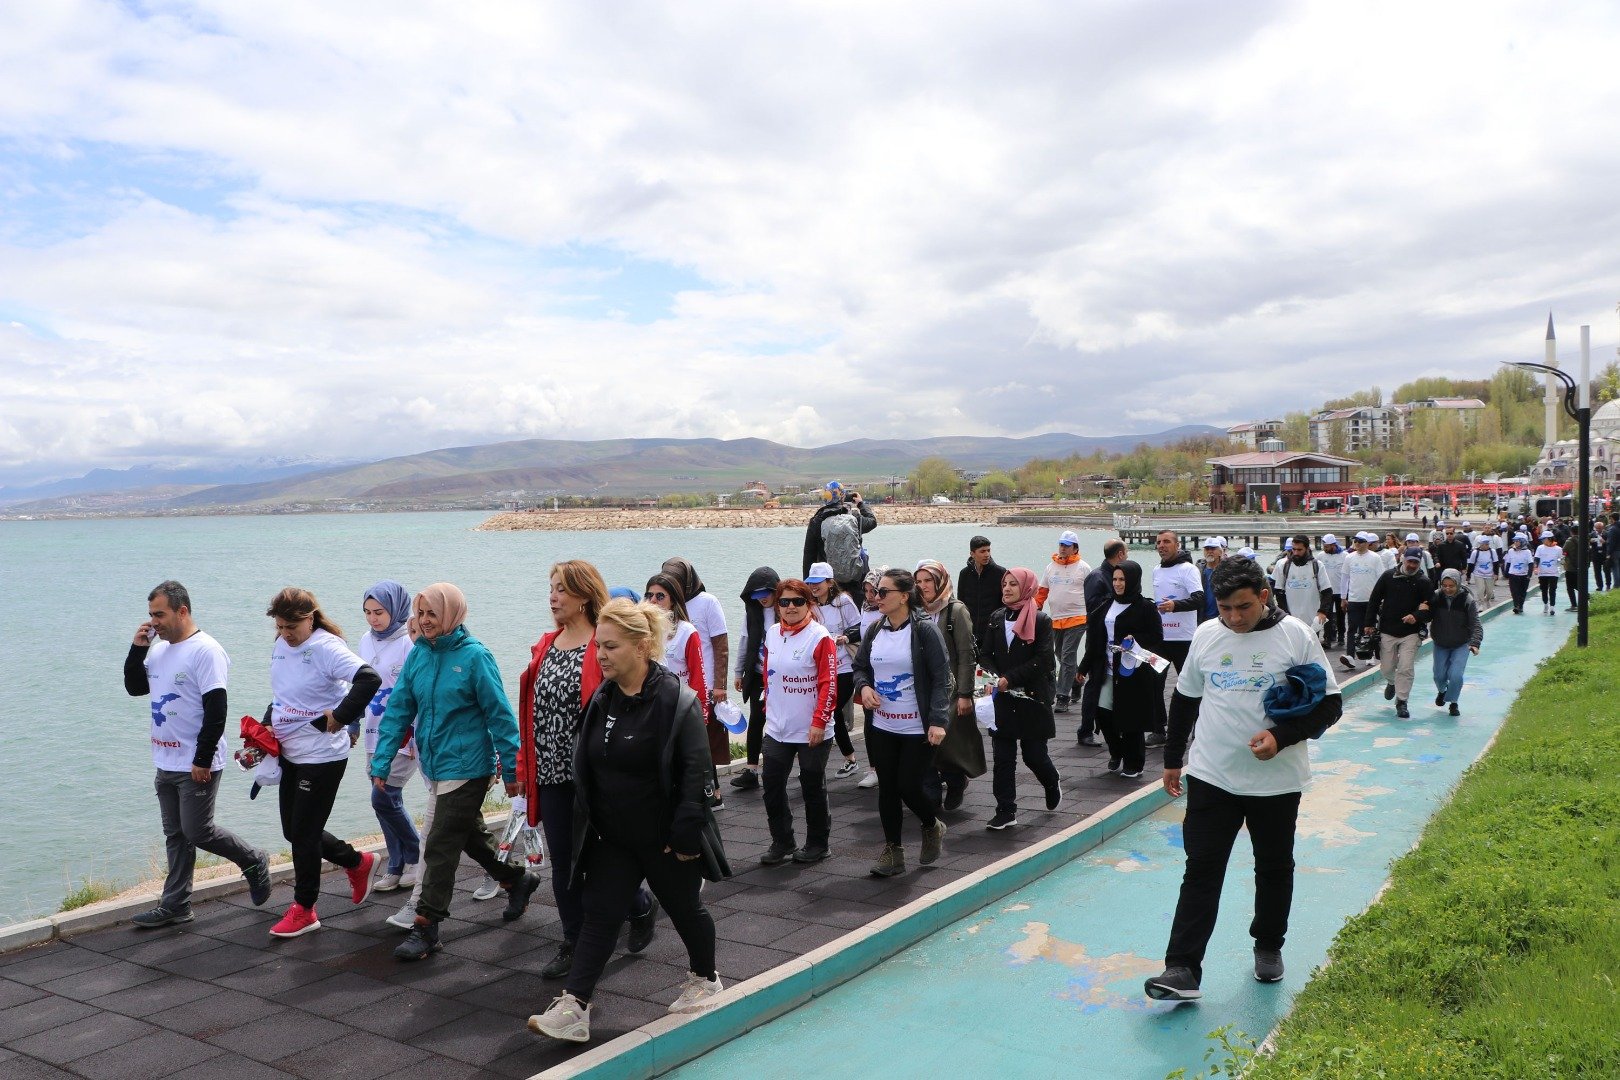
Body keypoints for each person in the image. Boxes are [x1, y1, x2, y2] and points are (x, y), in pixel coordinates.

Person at [1144, 557, 1343, 1001]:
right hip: (1213, 776)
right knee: (1201, 869)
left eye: (1244, 607)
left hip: (1276, 781)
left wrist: (1281, 736)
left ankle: (1269, 944)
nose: (1233, 617)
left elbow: (1330, 705)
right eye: (1225, 607)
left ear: (1264, 597)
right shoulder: (1207, 634)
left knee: (1273, 867)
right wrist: (1173, 758)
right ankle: (1181, 968)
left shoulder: (1295, 635)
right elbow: (1185, 699)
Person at [527, 599, 723, 1044]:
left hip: (664, 836)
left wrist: (686, 834)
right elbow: (590, 764)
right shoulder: (603, 698)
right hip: (613, 835)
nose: (600, 656)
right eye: (598, 647)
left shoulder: (677, 700)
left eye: (611, 647)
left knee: (685, 909)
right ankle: (574, 1006)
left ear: (642, 646)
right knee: (599, 916)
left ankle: (705, 978)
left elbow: (696, 773)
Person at [374, 584, 542, 961]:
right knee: (465, 833)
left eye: (432, 613)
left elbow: (499, 714)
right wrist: (382, 760)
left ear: (452, 614)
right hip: (435, 763)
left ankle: (426, 925)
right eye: (420, 614)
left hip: (468, 766)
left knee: (438, 843)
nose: (425, 621)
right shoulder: (419, 656)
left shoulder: (475, 657)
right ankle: (517, 879)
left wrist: (512, 764)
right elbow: (399, 708)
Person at [518, 560, 654, 981]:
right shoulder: (545, 645)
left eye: (561, 589)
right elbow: (531, 713)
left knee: (602, 858)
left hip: (596, 775)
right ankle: (573, 940)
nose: (553, 597)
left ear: (583, 595)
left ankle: (640, 905)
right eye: (551, 588)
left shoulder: (603, 643)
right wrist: (524, 766)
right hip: (552, 774)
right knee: (564, 863)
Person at [124, 581, 270, 928]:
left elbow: (217, 708)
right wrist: (136, 649)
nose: (153, 622)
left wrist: (202, 759)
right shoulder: (157, 652)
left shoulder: (206, 650)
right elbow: (134, 687)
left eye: (159, 614)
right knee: (176, 835)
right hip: (165, 760)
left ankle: (254, 860)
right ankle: (176, 905)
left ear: (182, 611)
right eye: (150, 615)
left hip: (195, 762)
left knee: (197, 831)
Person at [264, 587, 383, 938]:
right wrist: (266, 725)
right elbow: (282, 697)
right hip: (290, 751)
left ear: (311, 617)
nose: (286, 633)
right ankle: (357, 862)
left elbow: (369, 678)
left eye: (292, 626)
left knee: (303, 833)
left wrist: (342, 716)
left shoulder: (326, 647)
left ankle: (305, 909)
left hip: (322, 755)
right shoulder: (281, 646)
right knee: (294, 830)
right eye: (281, 626)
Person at [853, 568, 950, 877]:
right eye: (876, 592)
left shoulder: (924, 631)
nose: (876, 597)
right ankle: (893, 851)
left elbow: (941, 679)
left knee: (908, 785)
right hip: (882, 725)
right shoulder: (874, 630)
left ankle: (931, 824)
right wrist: (864, 687)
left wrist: (937, 720)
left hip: (916, 727)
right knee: (887, 790)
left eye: (883, 592)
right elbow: (860, 667)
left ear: (904, 597)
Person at [758, 579, 839, 865]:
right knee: (771, 786)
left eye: (797, 601)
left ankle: (818, 843)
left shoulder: (820, 637)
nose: (790, 607)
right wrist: (769, 708)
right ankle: (782, 841)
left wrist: (819, 722)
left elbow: (829, 685)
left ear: (809, 603)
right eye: (784, 601)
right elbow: (768, 675)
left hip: (811, 730)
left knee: (812, 787)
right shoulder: (771, 634)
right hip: (777, 728)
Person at [978, 568, 1062, 827]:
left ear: (1026, 587)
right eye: (1005, 584)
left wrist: (1010, 678)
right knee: (1003, 757)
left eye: (1013, 584)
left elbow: (1044, 660)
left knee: (1033, 755)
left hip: (1033, 698)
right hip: (1003, 698)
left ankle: (1051, 781)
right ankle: (1006, 810)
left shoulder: (1041, 620)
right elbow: (985, 653)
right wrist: (993, 677)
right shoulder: (996, 617)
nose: (1006, 588)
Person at [356, 581, 421, 895]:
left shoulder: (409, 642)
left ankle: (416, 856)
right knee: (382, 803)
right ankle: (396, 864)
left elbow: (415, 693)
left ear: (395, 609)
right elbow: (357, 685)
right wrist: (353, 724)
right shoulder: (365, 641)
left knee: (383, 797)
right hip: (373, 732)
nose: (373, 619)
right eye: (368, 612)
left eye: (379, 612)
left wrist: (411, 739)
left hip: (401, 734)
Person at [1081, 561, 1165, 781]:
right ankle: (1116, 751)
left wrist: (1135, 640)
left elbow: (1156, 636)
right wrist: (1083, 667)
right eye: (1115, 579)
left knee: (1131, 719)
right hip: (1105, 670)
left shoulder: (1145, 607)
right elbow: (1094, 640)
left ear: (1133, 581)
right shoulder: (1105, 605)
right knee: (1101, 712)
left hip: (1132, 672)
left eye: (1122, 580)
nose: (1118, 584)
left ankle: (1134, 762)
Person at [645, 573, 722, 808]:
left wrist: (703, 713)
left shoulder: (687, 631)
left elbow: (698, 675)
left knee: (685, 763)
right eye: (649, 595)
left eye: (660, 596)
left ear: (673, 600)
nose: (654, 600)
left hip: (681, 707)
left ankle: (701, 802)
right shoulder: (642, 631)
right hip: (652, 708)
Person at [913, 559, 982, 812]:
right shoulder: (914, 610)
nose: (923, 586)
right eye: (918, 582)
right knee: (924, 743)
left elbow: (966, 655)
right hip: (922, 690)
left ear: (940, 580)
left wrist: (965, 693)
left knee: (948, 743)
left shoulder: (955, 611)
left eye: (928, 580)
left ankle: (955, 782)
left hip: (951, 690)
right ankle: (931, 796)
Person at [805, 562, 864, 780]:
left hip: (845, 666)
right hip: (823, 668)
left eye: (818, 582)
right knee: (831, 712)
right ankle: (849, 759)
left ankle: (842, 759)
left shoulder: (843, 601)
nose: (814, 586)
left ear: (830, 582)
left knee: (830, 710)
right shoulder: (810, 606)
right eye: (811, 582)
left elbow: (861, 627)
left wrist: (844, 636)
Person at [1363, 549, 1433, 719]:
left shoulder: (1424, 582)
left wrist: (1416, 616)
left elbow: (1430, 609)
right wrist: (1369, 623)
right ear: (1402, 559)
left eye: (1415, 562)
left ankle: (1402, 701)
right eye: (1409, 561)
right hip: (1388, 630)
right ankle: (1392, 681)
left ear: (1419, 563)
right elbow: (1374, 599)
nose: (1411, 565)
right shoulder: (1388, 576)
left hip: (1411, 633)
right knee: (1387, 667)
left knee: (1406, 667)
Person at [727, 566, 780, 790]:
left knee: (782, 721)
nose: (762, 600)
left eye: (766, 594)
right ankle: (751, 770)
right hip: (758, 674)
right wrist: (739, 672)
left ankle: (780, 767)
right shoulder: (752, 613)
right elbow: (744, 644)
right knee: (757, 719)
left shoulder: (786, 608)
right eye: (757, 596)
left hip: (781, 676)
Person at [1152, 531, 1205, 747]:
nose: (1161, 546)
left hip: (1184, 638)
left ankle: (1199, 726)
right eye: (1158, 543)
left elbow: (1199, 599)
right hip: (1160, 638)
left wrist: (1176, 606)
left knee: (1191, 684)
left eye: (1166, 542)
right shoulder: (1156, 570)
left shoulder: (1188, 569)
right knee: (1154, 684)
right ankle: (1158, 729)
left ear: (1177, 545)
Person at [662, 558, 729, 721]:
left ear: (686, 580)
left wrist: (720, 685)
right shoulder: (665, 603)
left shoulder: (708, 602)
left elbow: (721, 645)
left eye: (676, 580)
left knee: (712, 738)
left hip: (708, 684)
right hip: (674, 686)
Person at [1077, 539, 1129, 746]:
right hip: (1099, 639)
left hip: (1115, 638)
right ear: (1120, 554)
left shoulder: (1117, 575)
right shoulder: (1097, 577)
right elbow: (1093, 609)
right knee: (1095, 683)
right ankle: (1086, 729)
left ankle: (1116, 725)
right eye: (1126, 551)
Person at [1036, 531, 1092, 715]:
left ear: (1075, 548)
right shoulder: (1050, 567)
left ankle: (1062, 697)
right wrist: (1034, 611)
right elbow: (1042, 592)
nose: (1063, 548)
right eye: (1061, 544)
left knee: (1067, 655)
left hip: (1078, 617)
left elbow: (1093, 593)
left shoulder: (1084, 568)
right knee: (1059, 654)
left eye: (1067, 545)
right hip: (1057, 618)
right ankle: (1076, 681)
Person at [803, 481, 877, 597]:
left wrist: (807, 586)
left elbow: (809, 555)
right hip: (856, 581)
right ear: (842, 496)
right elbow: (872, 522)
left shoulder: (817, 521)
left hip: (829, 582)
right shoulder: (853, 517)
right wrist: (861, 504)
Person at [1428, 570, 1483, 717]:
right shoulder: (1436, 597)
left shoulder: (1467, 600)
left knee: (1456, 675)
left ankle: (1453, 703)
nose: (1447, 589)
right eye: (1444, 585)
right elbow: (1425, 614)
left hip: (1461, 644)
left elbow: (1476, 624)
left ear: (1458, 584)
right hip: (1440, 643)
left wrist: (1475, 643)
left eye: (1451, 585)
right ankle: (1442, 691)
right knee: (1439, 675)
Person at [854, 565, 889, 790]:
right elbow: (860, 633)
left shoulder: (889, 610)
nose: (870, 596)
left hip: (888, 672)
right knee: (870, 722)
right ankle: (874, 769)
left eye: (874, 591)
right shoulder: (866, 608)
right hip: (870, 670)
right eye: (866, 591)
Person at [1270, 536, 1332, 636]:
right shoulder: (1283, 565)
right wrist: (1285, 614)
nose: (1296, 553)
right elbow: (1279, 592)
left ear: (1307, 549)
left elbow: (1327, 591)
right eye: (1293, 549)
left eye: (1299, 550)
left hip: (1312, 620)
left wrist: (1322, 612)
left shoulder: (1317, 565)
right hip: (1290, 620)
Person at [956, 535, 1007, 642]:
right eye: (982, 551)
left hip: (993, 630)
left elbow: (1005, 603)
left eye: (988, 550)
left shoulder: (1000, 572)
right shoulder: (964, 574)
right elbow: (961, 602)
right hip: (969, 631)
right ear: (972, 554)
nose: (987, 554)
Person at [1316, 535, 1346, 649]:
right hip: (1326, 591)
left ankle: (1341, 637)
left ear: (1334, 545)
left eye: (1327, 546)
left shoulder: (1344, 556)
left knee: (1340, 615)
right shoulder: (1321, 556)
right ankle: (1327, 638)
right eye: (1324, 546)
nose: (1325, 548)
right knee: (1326, 615)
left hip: (1340, 590)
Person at [1534, 531, 1565, 615]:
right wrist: (1536, 568)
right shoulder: (1540, 548)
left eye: (1544, 539)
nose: (1543, 540)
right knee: (1543, 589)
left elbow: (1561, 559)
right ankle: (1545, 604)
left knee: (1552, 590)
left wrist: (1562, 560)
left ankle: (1552, 607)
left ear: (1549, 539)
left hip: (1553, 572)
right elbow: (1537, 558)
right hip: (1542, 572)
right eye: (1542, 539)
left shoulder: (1558, 549)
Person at [1503, 532, 1534, 614]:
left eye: (1518, 541)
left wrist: (1529, 575)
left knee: (1522, 592)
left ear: (1523, 542)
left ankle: (1520, 606)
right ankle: (1516, 606)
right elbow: (1508, 562)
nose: (1516, 543)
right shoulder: (1511, 551)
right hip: (1513, 574)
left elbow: (1531, 563)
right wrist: (1506, 573)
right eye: (1515, 541)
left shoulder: (1527, 552)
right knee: (1514, 592)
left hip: (1524, 575)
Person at [1197, 538, 1225, 625]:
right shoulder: (1197, 571)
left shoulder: (1227, 570)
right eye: (1207, 549)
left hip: (1222, 618)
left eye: (1213, 549)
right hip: (1202, 618)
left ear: (1220, 552)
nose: (1209, 551)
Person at [1466, 538, 1498, 607]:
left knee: (1489, 591)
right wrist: (1468, 575)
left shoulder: (1492, 552)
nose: (1486, 546)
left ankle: (1487, 600)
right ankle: (1481, 603)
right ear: (1480, 545)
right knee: (1480, 590)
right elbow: (1471, 564)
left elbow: (1496, 563)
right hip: (1478, 574)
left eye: (1487, 544)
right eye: (1484, 544)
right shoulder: (1475, 552)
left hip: (1489, 574)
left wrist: (1496, 574)